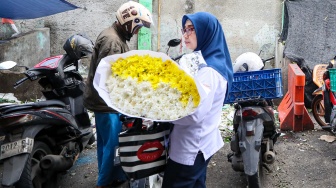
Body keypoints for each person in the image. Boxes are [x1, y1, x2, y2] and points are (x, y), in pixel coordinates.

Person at [83, 1, 153, 188]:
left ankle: (114, 176)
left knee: (106, 144)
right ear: (128, 22)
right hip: (105, 103)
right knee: (112, 145)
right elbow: (109, 76)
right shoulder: (113, 41)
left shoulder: (116, 36)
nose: (137, 31)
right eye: (137, 26)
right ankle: (104, 182)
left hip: (104, 102)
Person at [162, 12, 233, 188]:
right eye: (184, 30)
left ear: (206, 32)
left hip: (191, 147)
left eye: (191, 29)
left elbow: (194, 114)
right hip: (202, 142)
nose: (185, 35)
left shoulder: (209, 71)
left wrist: (161, 113)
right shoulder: (209, 61)